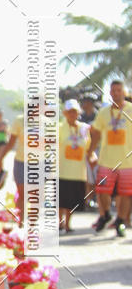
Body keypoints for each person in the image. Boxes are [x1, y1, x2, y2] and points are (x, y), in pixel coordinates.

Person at [88, 80, 132, 237]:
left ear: (124, 92)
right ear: (110, 93)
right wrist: (91, 152)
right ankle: (105, 214)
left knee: (125, 194)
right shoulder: (103, 112)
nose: (116, 93)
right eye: (113, 90)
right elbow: (96, 134)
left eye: (119, 90)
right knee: (101, 191)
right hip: (106, 160)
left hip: (127, 161)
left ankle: (120, 221)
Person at [58, 99, 92, 233]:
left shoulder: (84, 128)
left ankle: (68, 224)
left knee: (72, 201)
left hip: (78, 171)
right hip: (62, 170)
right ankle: (60, 223)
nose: (72, 114)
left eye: (75, 112)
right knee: (61, 199)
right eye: (70, 112)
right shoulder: (59, 128)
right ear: (65, 113)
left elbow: (88, 147)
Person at [0, 113, 25, 224]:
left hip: (40, 164)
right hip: (21, 162)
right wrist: (1, 159)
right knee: (22, 194)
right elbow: (11, 143)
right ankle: (21, 221)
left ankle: (32, 223)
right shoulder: (19, 121)